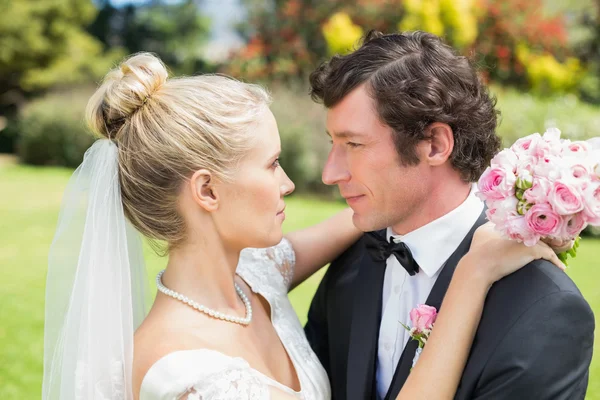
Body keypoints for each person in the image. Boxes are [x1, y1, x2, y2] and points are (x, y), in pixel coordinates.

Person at [42, 52, 565, 400]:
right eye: (272, 165)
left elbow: (375, 213)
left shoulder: (258, 275)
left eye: (350, 146)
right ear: (206, 191)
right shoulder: (184, 372)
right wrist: (472, 276)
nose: (297, 181)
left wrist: (520, 200)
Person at [304, 30, 595, 400]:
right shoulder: (351, 266)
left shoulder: (543, 308)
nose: (330, 173)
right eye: (334, 144)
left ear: (436, 144)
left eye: (354, 145)